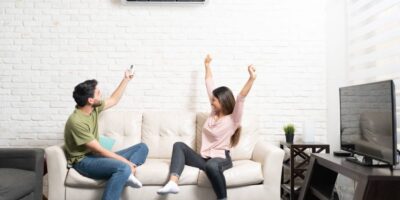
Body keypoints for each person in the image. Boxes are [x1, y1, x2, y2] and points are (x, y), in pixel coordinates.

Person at [157, 54, 257, 200]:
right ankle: (173, 182)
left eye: (214, 100)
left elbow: (240, 98)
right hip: (204, 158)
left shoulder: (233, 119)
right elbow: (209, 83)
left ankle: (222, 198)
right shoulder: (213, 113)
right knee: (179, 145)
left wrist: (251, 78)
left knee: (211, 166)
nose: (211, 101)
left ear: (222, 101)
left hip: (221, 159)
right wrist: (207, 65)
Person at [64, 70, 149, 200]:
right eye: (98, 93)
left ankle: (127, 174)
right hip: (83, 161)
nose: (101, 94)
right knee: (123, 167)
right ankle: (125, 173)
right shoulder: (76, 121)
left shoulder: (93, 108)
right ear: (91, 100)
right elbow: (100, 150)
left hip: (94, 156)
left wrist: (126, 79)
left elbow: (114, 99)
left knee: (142, 147)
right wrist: (126, 163)